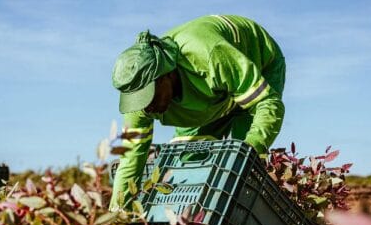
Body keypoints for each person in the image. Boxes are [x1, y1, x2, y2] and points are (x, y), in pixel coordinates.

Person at [110, 14, 286, 209]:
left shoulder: (209, 56)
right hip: (211, 93)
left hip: (257, 62)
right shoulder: (138, 104)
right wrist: (118, 214)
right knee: (187, 161)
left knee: (241, 166)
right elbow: (130, 158)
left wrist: (253, 147)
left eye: (149, 96)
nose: (146, 107)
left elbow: (267, 102)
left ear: (166, 75)